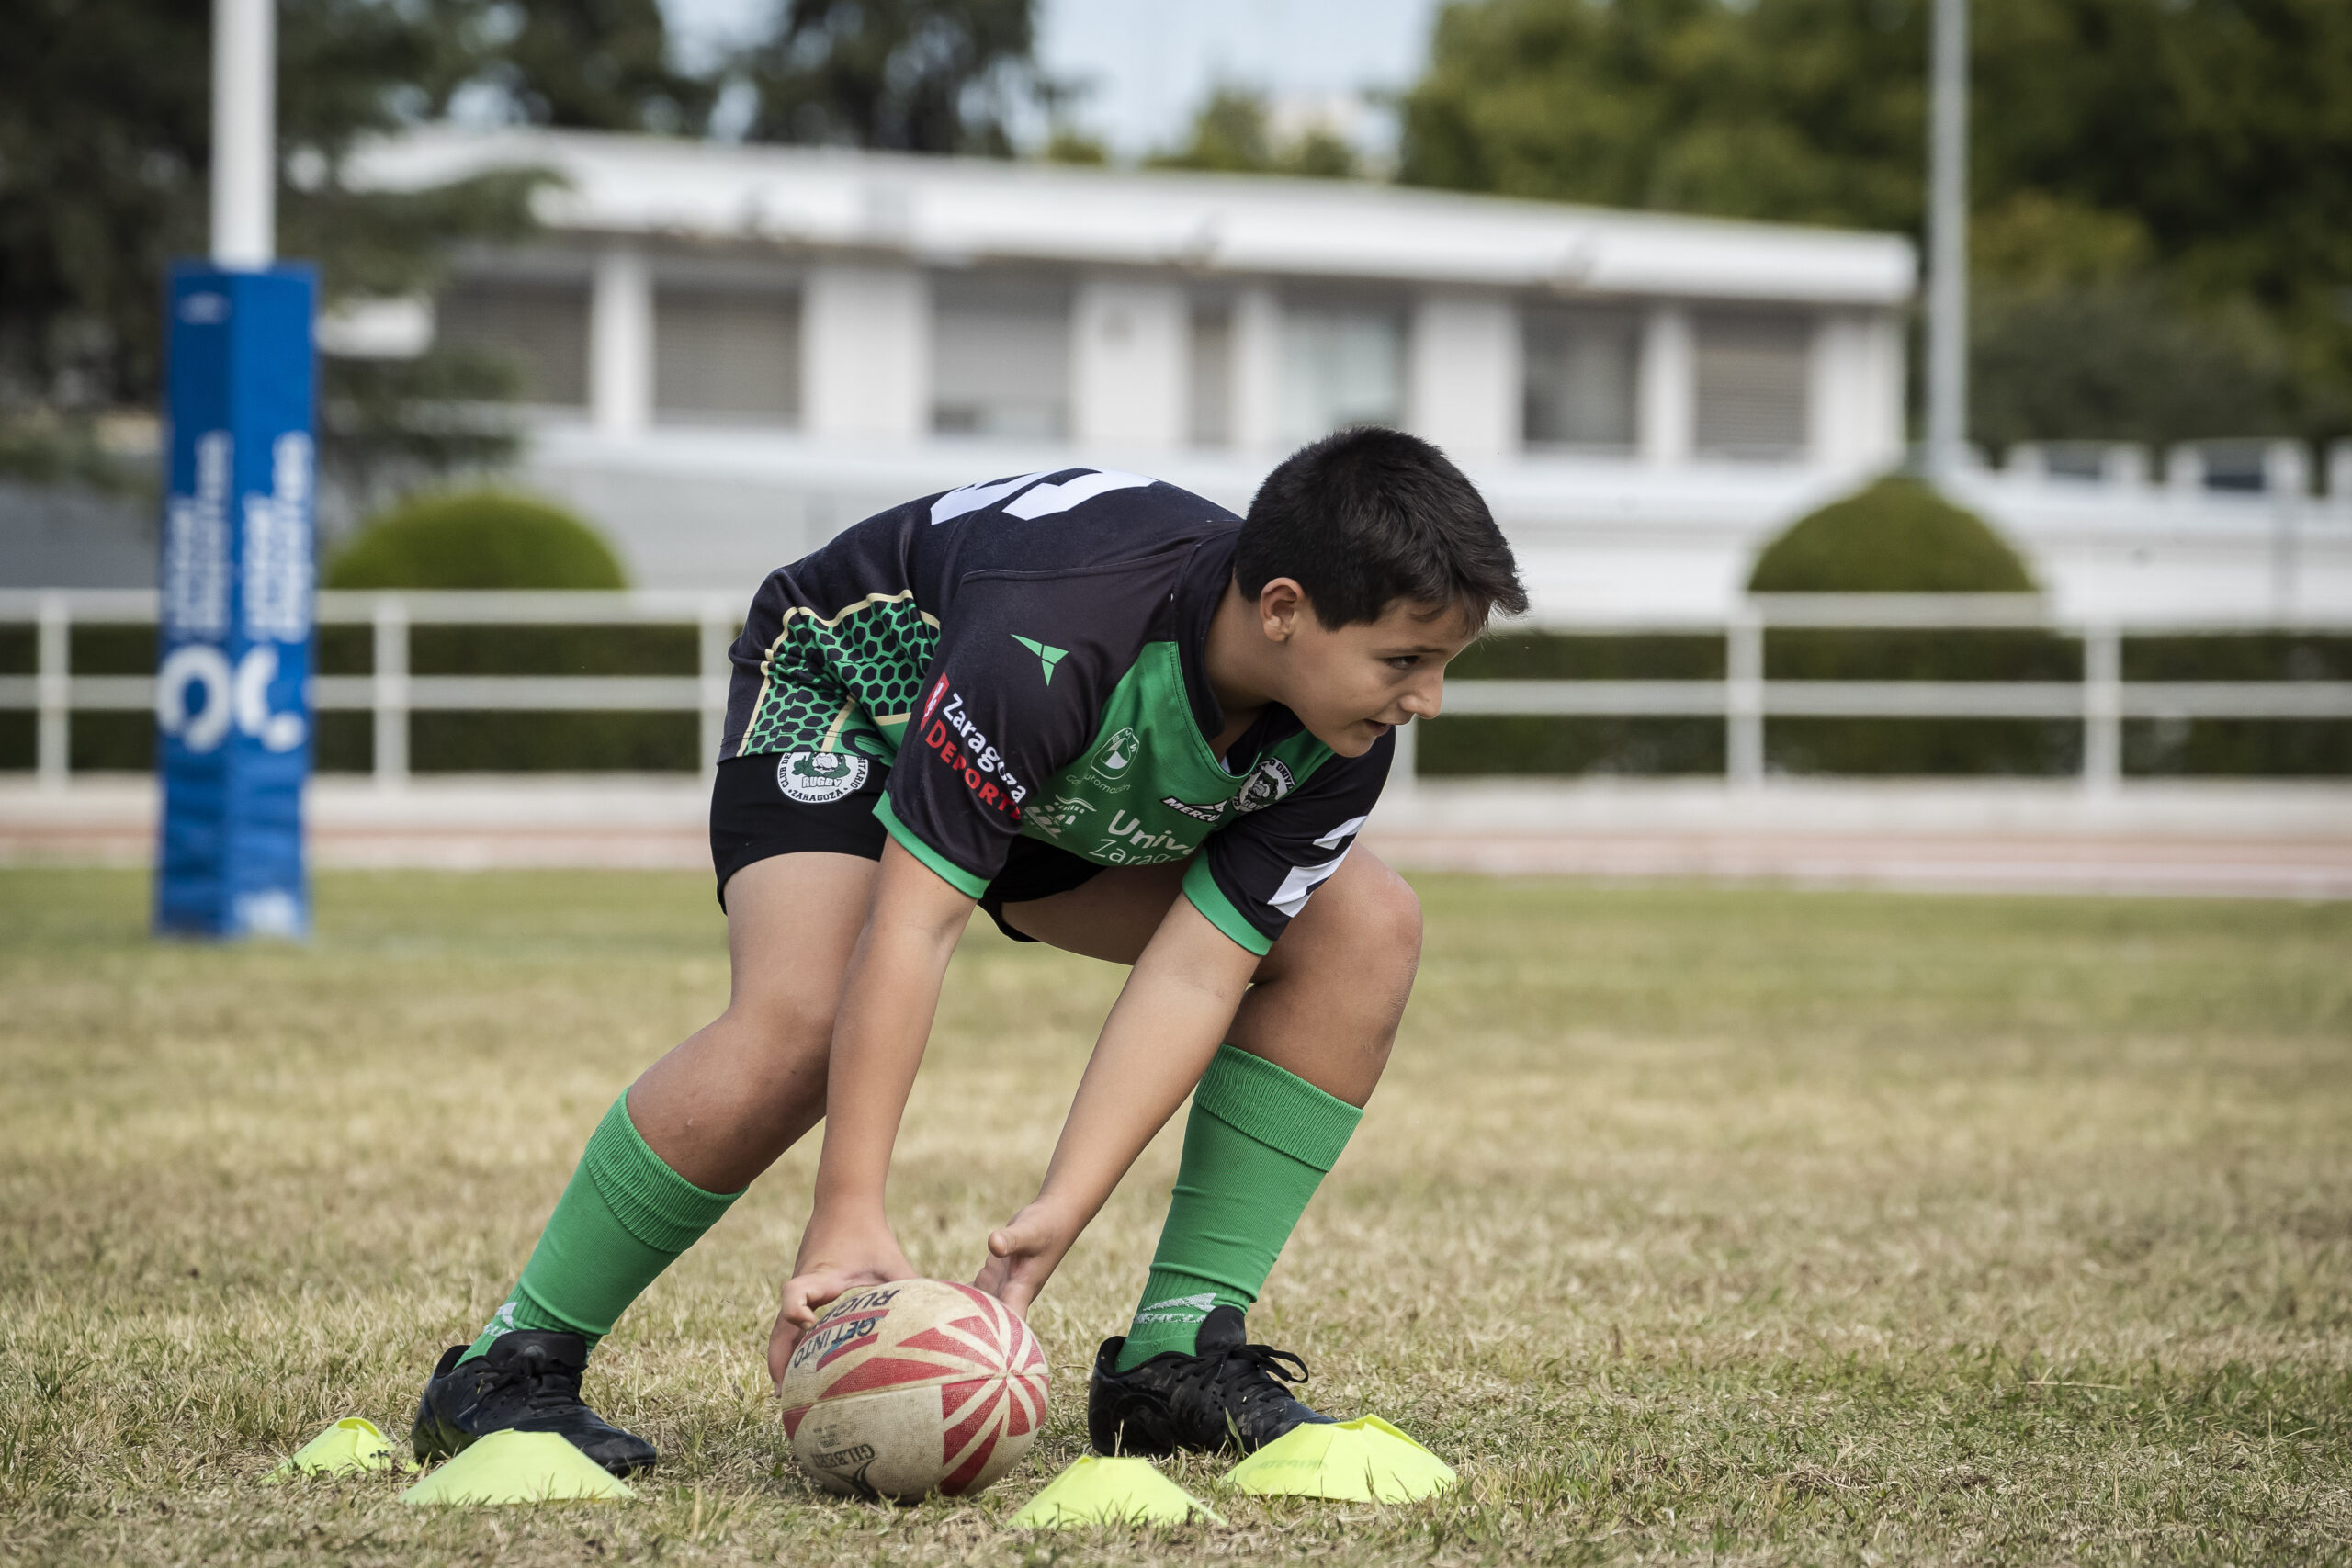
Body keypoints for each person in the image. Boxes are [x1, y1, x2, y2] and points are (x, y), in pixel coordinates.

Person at [409, 426, 1528, 1475]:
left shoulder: (1343, 735)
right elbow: (915, 922)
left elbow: (1195, 968)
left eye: (1442, 666)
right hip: (856, 699)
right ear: (1284, 608)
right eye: (1404, 660)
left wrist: (1056, 1214)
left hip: (1060, 783)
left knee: (1364, 927)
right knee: (805, 1020)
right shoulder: (1062, 625)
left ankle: (1172, 1354)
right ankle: (510, 1365)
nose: (1426, 698)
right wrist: (849, 1211)